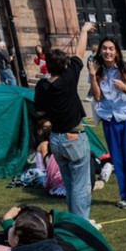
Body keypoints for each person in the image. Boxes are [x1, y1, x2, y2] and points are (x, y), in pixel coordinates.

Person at [34, 22, 96, 219]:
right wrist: (84, 30)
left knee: (69, 184)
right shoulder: (68, 78)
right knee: (80, 185)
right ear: (64, 65)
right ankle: (81, 224)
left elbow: (41, 111)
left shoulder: (42, 85)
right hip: (73, 137)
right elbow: (79, 53)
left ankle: (72, 220)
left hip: (56, 138)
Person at [89, 37, 126, 210]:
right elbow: (97, 97)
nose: (108, 52)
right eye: (104, 48)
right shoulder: (97, 71)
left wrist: (125, 88)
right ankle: (125, 195)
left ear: (117, 52)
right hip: (109, 120)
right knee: (118, 159)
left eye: (111, 48)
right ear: (100, 51)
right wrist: (92, 75)